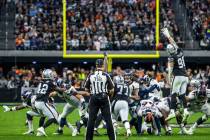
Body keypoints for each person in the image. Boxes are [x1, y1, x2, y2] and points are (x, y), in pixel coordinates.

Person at [162, 28, 189, 134]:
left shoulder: (172, 56)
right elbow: (173, 42)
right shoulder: (179, 51)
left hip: (177, 76)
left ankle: (173, 111)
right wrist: (167, 35)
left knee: (173, 93)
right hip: (185, 77)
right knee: (182, 95)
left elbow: (171, 69)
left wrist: (169, 79)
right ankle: (186, 110)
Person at [84, 59, 116, 140]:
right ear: (103, 65)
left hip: (94, 97)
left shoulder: (91, 75)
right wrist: (109, 95)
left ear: (96, 65)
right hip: (104, 97)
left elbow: (86, 89)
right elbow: (112, 89)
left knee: (91, 120)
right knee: (108, 120)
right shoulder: (106, 75)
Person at [34, 69, 65, 136]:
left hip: (36, 102)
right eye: (51, 74)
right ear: (48, 75)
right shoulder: (50, 82)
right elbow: (59, 90)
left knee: (43, 116)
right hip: (42, 102)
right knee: (53, 118)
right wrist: (66, 89)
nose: (52, 75)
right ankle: (42, 128)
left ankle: (39, 133)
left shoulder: (41, 82)